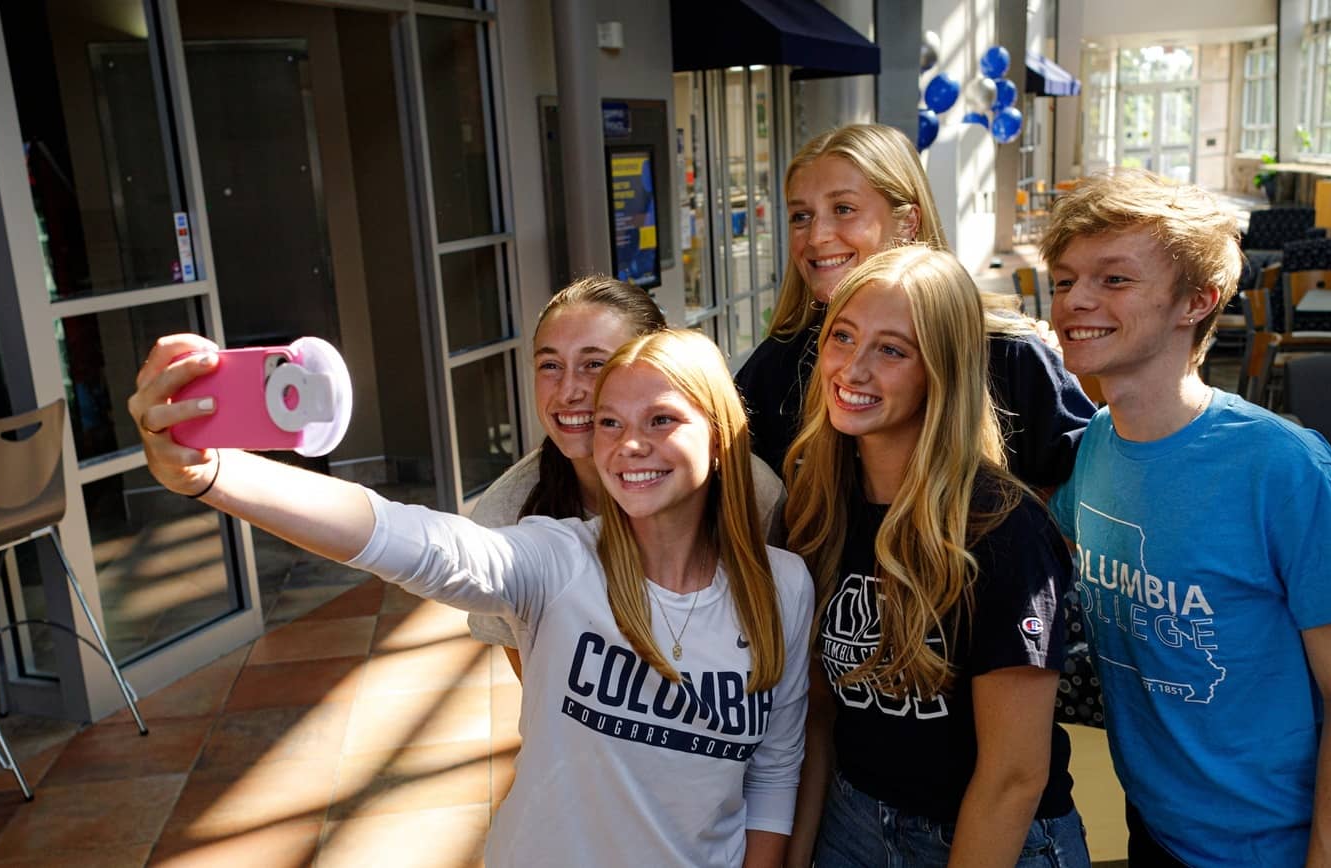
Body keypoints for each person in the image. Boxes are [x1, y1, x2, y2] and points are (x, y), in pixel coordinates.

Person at [128, 329, 814, 868]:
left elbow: (774, 775)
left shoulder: (782, 588)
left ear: (721, 438)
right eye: (609, 423)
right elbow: (413, 540)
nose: (630, 444)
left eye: (661, 419)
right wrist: (212, 475)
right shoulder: (560, 561)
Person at [1043, 170, 1331, 867]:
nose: (1074, 301)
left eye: (1114, 280)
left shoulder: (1280, 464)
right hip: (1160, 825)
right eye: (1062, 280)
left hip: (1289, 844)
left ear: (1196, 301)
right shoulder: (1088, 454)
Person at [782, 246, 1087, 867]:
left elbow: (1013, 777)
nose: (853, 369)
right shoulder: (816, 507)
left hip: (992, 836)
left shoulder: (1004, 530)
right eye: (843, 336)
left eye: (891, 350)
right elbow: (817, 718)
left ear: (942, 372)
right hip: (851, 819)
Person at [734, 123, 1092, 488]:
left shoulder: (1007, 355)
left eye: (843, 208)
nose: (817, 236)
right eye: (801, 216)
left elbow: (1093, 499)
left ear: (908, 221)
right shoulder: (772, 369)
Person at [466, 276, 784, 680]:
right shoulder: (503, 518)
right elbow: (541, 692)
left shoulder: (752, 493)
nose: (567, 392)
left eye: (595, 364)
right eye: (550, 366)